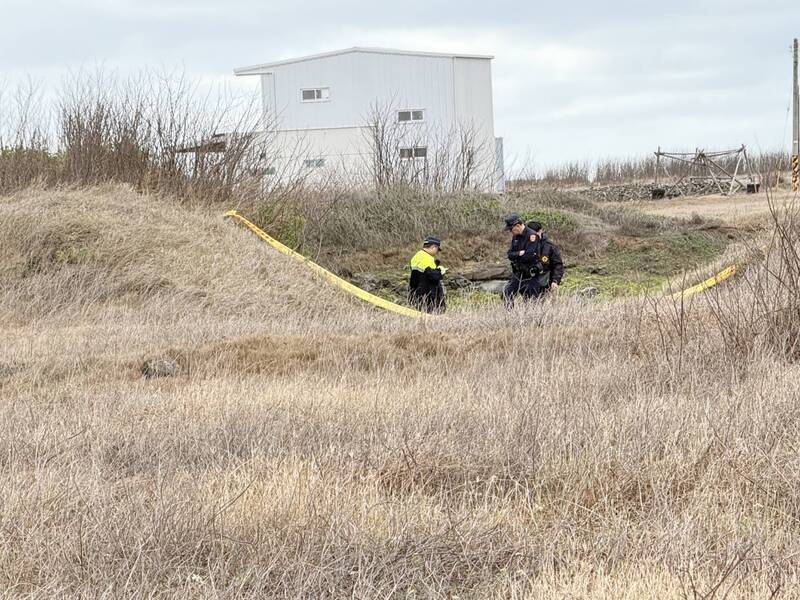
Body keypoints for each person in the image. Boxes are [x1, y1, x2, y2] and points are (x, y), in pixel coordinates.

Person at [408, 236, 447, 313]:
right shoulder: (427, 258)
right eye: (437, 249)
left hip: (417, 295)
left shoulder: (416, 256)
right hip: (429, 297)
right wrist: (441, 270)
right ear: (434, 247)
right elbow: (434, 276)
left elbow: (422, 274)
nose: (437, 252)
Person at [525, 220, 564, 293]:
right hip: (527, 283)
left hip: (545, 284)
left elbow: (558, 265)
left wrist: (555, 281)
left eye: (536, 233)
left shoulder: (550, 246)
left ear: (541, 231)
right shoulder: (524, 245)